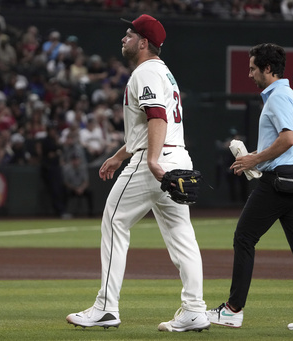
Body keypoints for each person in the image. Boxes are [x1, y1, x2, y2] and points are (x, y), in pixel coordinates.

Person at [65, 14, 209, 332]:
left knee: (115, 222)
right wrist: (119, 156)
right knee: (182, 237)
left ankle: (105, 308)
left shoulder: (144, 72)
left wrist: (153, 161)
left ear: (144, 43)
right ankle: (195, 309)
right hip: (177, 157)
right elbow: (149, 126)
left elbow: (156, 118)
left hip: (153, 162)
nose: (123, 38)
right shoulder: (164, 73)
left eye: (129, 34)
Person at [206, 43, 293, 331]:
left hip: (280, 182)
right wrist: (257, 160)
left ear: (267, 69)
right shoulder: (290, 94)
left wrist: (254, 160)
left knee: (244, 238)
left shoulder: (276, 97)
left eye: (252, 68)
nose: (249, 74)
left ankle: (232, 310)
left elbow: (287, 139)